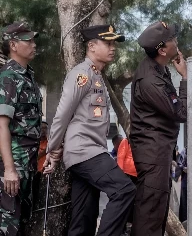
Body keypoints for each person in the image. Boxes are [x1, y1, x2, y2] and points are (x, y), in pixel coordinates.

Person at [44, 24, 136, 236]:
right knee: (124, 189)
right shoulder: (82, 74)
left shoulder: (97, 76)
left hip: (88, 151)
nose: (113, 48)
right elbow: (62, 113)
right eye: (108, 43)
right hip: (85, 151)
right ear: (92, 46)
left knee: (83, 218)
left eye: (114, 43)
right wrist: (52, 148)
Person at [129, 21, 188, 236]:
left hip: (158, 151)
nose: (176, 42)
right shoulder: (151, 80)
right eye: (172, 39)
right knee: (150, 213)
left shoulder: (157, 69)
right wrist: (186, 79)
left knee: (156, 211)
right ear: (162, 50)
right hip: (153, 153)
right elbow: (181, 112)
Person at [0, 23, 43, 236]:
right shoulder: (9, 77)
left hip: (28, 165)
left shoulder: (28, 76)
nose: (34, 45)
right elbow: (2, 124)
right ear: (13, 45)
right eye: (29, 41)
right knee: (8, 227)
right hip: (12, 167)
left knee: (23, 224)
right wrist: (9, 169)